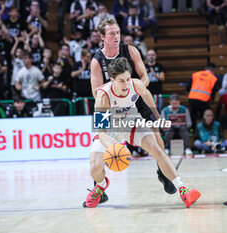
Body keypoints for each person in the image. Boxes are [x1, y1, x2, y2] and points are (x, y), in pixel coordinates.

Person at [84, 57, 201, 208]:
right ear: (112, 79)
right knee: (95, 167)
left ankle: (183, 190)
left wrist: (158, 118)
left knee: (156, 149)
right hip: (111, 130)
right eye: (121, 81)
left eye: (127, 79)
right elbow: (102, 132)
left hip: (132, 122)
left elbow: (147, 97)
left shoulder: (135, 84)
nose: (126, 84)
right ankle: (101, 185)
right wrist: (113, 148)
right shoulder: (103, 96)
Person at [91, 18, 177, 197]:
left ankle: (164, 174)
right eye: (112, 33)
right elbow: (95, 92)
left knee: (157, 139)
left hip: (136, 98)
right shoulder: (97, 61)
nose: (116, 36)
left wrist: (133, 91)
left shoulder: (130, 50)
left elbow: (145, 77)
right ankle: (98, 188)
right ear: (102, 37)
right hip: (112, 105)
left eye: (118, 32)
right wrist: (116, 95)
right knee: (102, 146)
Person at [187, 62, 218, 130]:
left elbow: (188, 87)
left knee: (193, 114)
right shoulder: (213, 78)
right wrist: (211, 101)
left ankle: (192, 130)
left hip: (192, 99)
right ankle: (204, 130)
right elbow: (213, 92)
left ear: (205, 68)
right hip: (204, 100)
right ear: (213, 70)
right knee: (204, 115)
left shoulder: (195, 74)